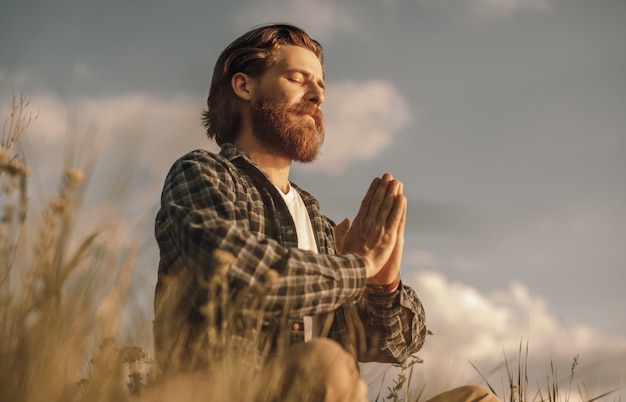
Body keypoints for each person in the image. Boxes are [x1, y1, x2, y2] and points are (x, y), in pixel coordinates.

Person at [153, 23, 498, 402]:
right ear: (244, 86)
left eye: (320, 85)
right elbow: (240, 276)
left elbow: (396, 344)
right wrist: (356, 268)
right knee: (323, 361)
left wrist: (383, 284)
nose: (317, 94)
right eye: (298, 79)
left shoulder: (319, 224)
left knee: (476, 397)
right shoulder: (202, 174)